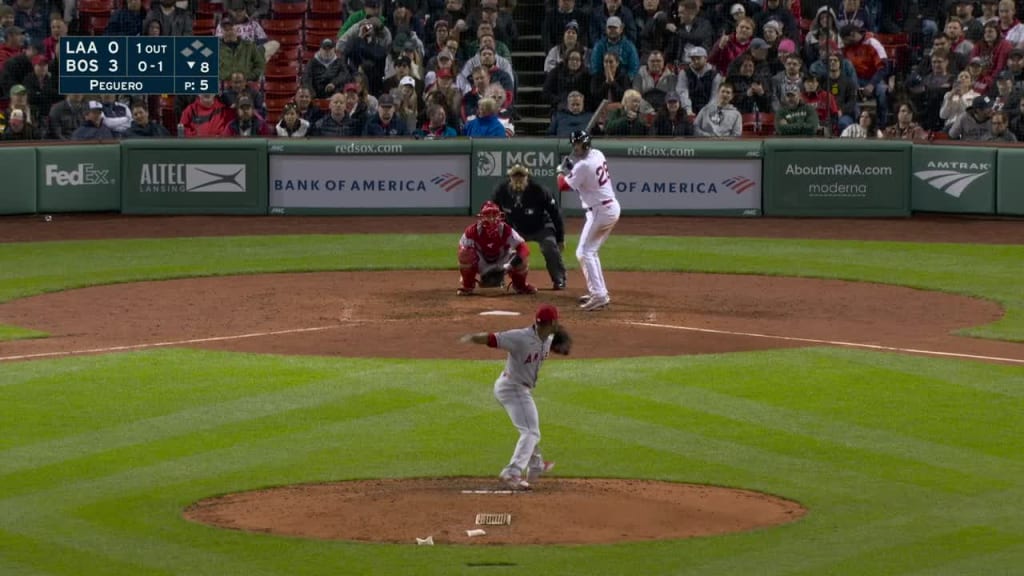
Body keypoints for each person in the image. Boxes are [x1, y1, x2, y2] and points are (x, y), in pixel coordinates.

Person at [459, 303, 564, 491]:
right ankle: (512, 472)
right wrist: (470, 338)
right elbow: (492, 338)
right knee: (531, 431)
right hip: (512, 388)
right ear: (552, 322)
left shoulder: (547, 338)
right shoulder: (521, 337)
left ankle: (536, 466)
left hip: (518, 388)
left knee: (529, 427)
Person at [557, 130, 619, 311]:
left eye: (577, 144)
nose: (575, 148)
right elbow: (583, 178)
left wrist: (560, 171)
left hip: (602, 210)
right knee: (587, 252)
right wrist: (571, 168)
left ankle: (599, 295)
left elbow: (562, 185)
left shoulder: (583, 166)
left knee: (585, 252)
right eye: (574, 145)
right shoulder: (597, 154)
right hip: (604, 208)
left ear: (584, 144)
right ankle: (598, 292)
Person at [491, 164, 567, 290]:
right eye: (515, 177)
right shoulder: (501, 191)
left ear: (527, 177)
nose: (518, 180)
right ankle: (498, 279)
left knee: (549, 246)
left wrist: (560, 238)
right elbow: (495, 212)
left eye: (521, 176)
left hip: (541, 227)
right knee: (501, 247)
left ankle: (559, 279)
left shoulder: (539, 190)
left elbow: (555, 214)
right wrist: (500, 233)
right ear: (510, 177)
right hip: (516, 228)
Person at [455, 200, 537, 296]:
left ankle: (520, 286)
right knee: (465, 254)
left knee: (522, 260)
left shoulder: (506, 229)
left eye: (494, 215)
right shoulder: (472, 231)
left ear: (499, 216)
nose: (491, 219)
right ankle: (467, 286)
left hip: (503, 263)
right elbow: (461, 251)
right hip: (482, 263)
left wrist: (510, 265)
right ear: (481, 217)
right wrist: (468, 269)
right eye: (488, 215)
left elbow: (524, 248)